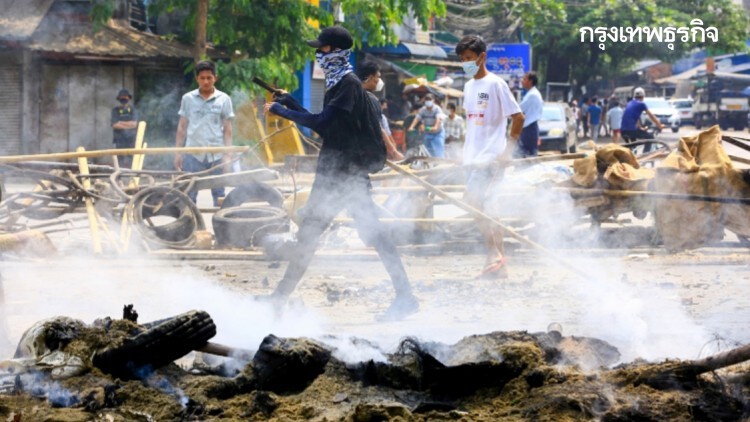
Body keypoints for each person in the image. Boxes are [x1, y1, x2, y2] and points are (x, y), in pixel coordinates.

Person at [263, 26, 418, 321]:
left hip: (347, 177)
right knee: (313, 234)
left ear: (336, 51)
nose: (318, 54)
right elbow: (329, 124)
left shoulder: (347, 83)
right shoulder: (338, 83)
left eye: (322, 49)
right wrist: (290, 103)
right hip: (335, 175)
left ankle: (406, 296)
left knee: (373, 236)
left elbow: (320, 125)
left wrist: (283, 112)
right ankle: (279, 298)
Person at [456, 34, 525, 279]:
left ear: (482, 57)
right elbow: (472, 124)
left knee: (474, 203)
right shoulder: (468, 86)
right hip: (473, 159)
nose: (465, 62)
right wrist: (463, 154)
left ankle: (494, 253)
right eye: (462, 59)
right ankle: (500, 265)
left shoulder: (496, 84)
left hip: (491, 158)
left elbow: (518, 117)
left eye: (468, 58)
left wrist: (507, 152)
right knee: (486, 208)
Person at [174, 60, 235, 206]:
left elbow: (227, 130)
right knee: (189, 195)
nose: (206, 81)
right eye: (202, 78)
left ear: (215, 78)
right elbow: (182, 127)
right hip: (192, 153)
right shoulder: (188, 98)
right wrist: (177, 153)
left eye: (209, 77)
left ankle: (222, 227)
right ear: (197, 79)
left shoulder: (224, 99)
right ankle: (190, 226)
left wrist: (227, 155)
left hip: (217, 154)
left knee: (220, 196)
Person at [356, 60, 404, 161]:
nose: (379, 80)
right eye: (378, 76)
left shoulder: (348, 94)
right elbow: (378, 127)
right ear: (370, 77)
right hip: (364, 152)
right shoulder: (370, 99)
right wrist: (393, 151)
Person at [407, 94, 445, 158]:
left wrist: (435, 127)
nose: (428, 101)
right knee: (428, 151)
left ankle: (440, 164)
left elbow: (438, 120)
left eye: (429, 100)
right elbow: (417, 118)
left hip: (437, 133)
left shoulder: (437, 109)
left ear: (433, 101)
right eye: (426, 100)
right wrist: (411, 127)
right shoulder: (423, 110)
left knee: (438, 151)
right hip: (428, 133)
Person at [516, 71, 543, 157]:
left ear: (530, 81)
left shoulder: (532, 95)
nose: (522, 81)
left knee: (527, 155)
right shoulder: (532, 93)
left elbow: (518, 109)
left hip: (529, 128)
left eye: (524, 79)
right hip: (529, 128)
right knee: (527, 154)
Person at [111, 88, 139, 169]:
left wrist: (121, 123)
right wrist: (128, 124)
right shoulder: (115, 110)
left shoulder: (133, 110)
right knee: (119, 161)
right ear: (119, 99)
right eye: (121, 97)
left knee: (132, 160)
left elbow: (134, 124)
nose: (123, 99)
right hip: (119, 139)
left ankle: (133, 176)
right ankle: (119, 177)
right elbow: (114, 125)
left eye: (125, 97)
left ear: (129, 98)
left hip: (131, 139)